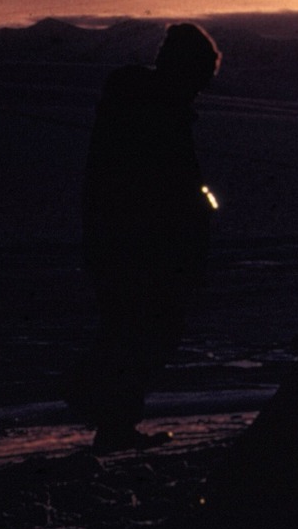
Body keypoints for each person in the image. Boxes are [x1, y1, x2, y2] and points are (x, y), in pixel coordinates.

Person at [69, 23, 221, 451]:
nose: (201, 89)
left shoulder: (149, 110)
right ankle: (97, 406)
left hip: (125, 242)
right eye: (200, 78)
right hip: (139, 246)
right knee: (139, 332)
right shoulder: (154, 115)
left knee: (135, 331)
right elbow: (163, 190)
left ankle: (113, 420)